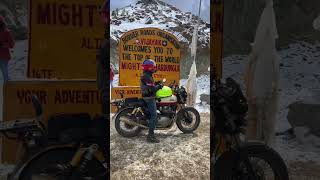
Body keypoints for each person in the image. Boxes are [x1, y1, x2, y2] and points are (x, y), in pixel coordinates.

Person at [140, 59, 162, 143]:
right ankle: (150, 136)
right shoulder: (146, 76)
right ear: (149, 68)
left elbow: (151, 85)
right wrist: (159, 86)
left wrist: (157, 83)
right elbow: (152, 89)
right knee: (154, 116)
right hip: (149, 98)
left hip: (149, 96)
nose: (154, 68)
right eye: (153, 67)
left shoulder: (147, 75)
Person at [0, 15, 14, 82]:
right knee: (5, 74)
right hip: (4, 56)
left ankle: (8, 88)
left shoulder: (6, 32)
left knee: (5, 74)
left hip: (3, 56)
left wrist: (3, 44)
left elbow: (12, 44)